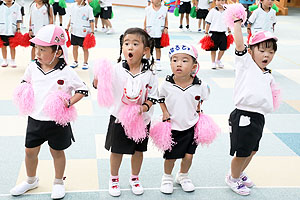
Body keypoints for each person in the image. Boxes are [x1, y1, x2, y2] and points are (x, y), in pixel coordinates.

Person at [10, 24, 89, 199]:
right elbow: (25, 82)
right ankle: (31, 180)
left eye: (43, 50)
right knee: (30, 152)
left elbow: (83, 90)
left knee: (57, 152)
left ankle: (59, 182)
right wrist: (23, 91)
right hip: (35, 119)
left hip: (56, 121)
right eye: (36, 48)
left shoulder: (66, 71)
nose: (37, 53)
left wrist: (68, 102)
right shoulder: (33, 67)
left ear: (58, 52)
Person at [93, 28, 158, 197]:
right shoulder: (115, 69)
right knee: (117, 150)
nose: (129, 47)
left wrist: (142, 108)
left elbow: (153, 97)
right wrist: (97, 80)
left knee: (138, 151)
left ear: (145, 51)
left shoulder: (150, 74)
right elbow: (100, 87)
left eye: (135, 44)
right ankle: (114, 178)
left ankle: (134, 177)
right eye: (126, 43)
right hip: (119, 119)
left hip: (141, 121)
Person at [225, 15, 278, 196]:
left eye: (270, 52)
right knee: (241, 152)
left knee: (252, 150)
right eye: (262, 50)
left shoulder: (267, 73)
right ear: (251, 50)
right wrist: (238, 23)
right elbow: (239, 44)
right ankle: (232, 178)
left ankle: (238, 173)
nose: (266, 55)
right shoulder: (245, 63)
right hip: (243, 116)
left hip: (258, 117)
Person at [158, 43, 210, 194]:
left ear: (194, 66)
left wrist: (198, 107)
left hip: (192, 125)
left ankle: (183, 176)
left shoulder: (200, 85)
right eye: (174, 60)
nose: (178, 64)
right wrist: (165, 112)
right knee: (170, 157)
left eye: (184, 60)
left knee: (188, 155)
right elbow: (160, 98)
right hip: (173, 126)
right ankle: (167, 178)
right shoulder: (166, 84)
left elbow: (203, 97)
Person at [67, 0, 94, 70]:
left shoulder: (89, 9)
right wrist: (67, 27)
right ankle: (75, 61)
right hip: (74, 31)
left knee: (85, 48)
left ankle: (85, 63)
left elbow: (91, 20)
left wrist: (92, 31)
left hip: (84, 32)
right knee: (74, 47)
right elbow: (71, 17)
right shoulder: (72, 6)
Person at [204, 0, 231, 69]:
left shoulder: (227, 11)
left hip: (223, 33)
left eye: (222, 0)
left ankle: (218, 60)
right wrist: (206, 32)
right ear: (215, 2)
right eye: (218, 0)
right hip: (214, 33)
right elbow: (208, 22)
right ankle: (213, 62)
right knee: (213, 49)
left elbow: (228, 23)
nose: (220, 2)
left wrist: (229, 31)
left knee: (223, 48)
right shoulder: (212, 11)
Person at [144, 0, 168, 71]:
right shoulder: (148, 9)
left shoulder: (164, 9)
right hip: (150, 30)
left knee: (158, 47)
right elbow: (145, 19)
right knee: (148, 47)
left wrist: (166, 27)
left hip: (159, 31)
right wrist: (144, 28)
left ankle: (158, 62)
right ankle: (148, 61)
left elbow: (166, 20)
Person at [0, 0, 22, 67]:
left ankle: (13, 60)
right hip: (2, 28)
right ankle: (4, 60)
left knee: (12, 45)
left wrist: (18, 28)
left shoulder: (17, 6)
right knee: (3, 46)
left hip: (12, 29)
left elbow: (18, 19)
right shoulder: (1, 5)